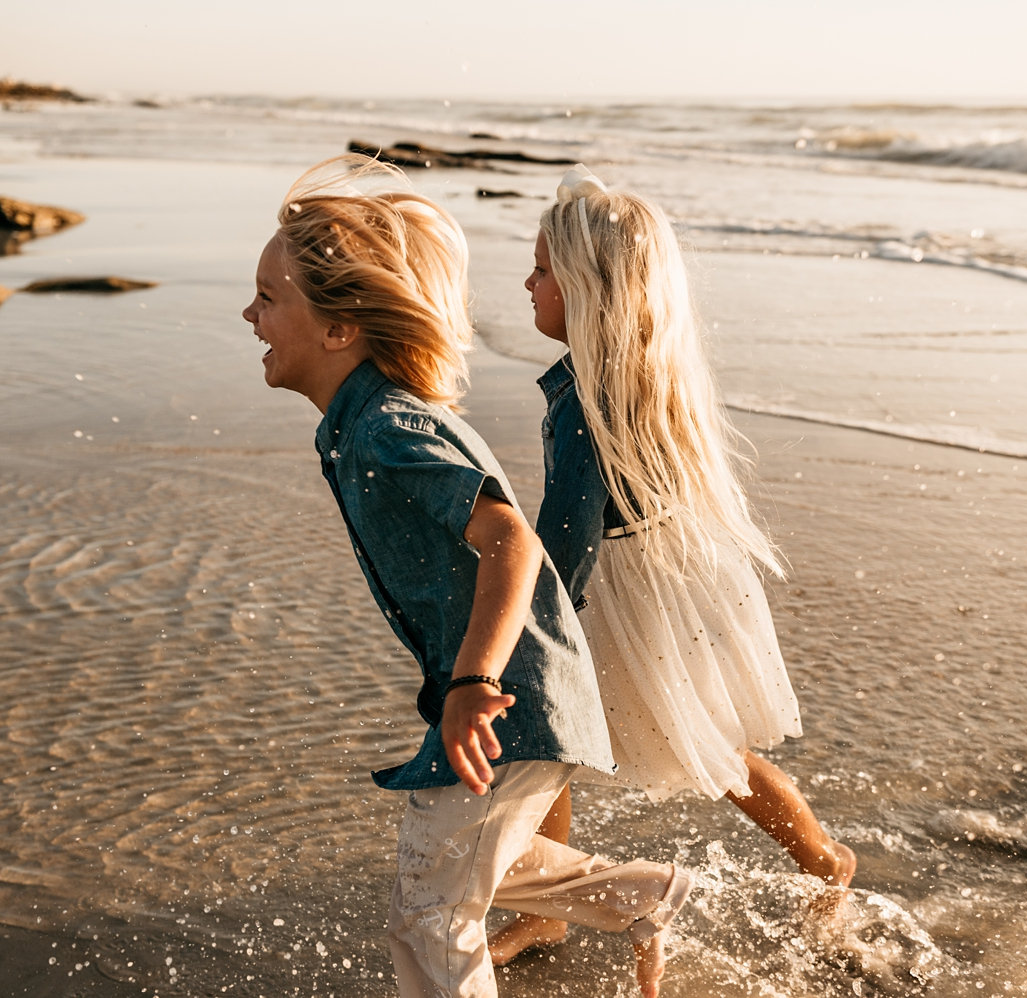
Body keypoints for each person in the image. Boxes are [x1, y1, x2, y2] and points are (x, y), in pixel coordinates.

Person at [241, 155, 691, 998]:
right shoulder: (357, 421)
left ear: (341, 328)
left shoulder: (388, 429)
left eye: (270, 299)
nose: (249, 314)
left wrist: (472, 680)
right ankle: (641, 897)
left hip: (507, 694)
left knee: (429, 911)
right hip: (510, 690)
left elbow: (513, 543)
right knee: (484, 859)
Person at [490, 165, 855, 966]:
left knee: (678, 744)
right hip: (651, 575)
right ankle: (555, 907)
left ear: (587, 291)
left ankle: (826, 861)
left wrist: (524, 625)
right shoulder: (631, 372)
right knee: (573, 747)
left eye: (543, 271)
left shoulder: (589, 399)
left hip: (619, 593)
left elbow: (567, 538)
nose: (527, 281)